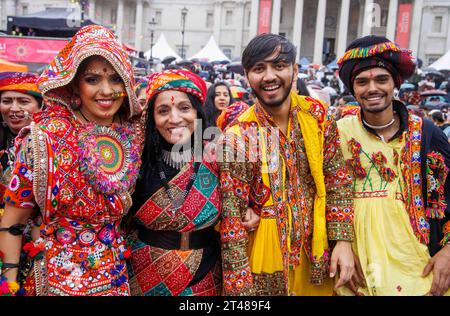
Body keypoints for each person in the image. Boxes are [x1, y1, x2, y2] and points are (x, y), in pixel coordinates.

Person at [0, 25, 143, 296]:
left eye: (115, 79)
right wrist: (8, 285)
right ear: (74, 83)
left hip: (114, 280)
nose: (107, 90)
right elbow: (12, 221)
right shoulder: (44, 140)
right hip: (54, 280)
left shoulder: (133, 135)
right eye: (92, 79)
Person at [218, 33, 355, 296]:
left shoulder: (317, 116)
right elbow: (232, 221)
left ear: (294, 69)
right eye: (259, 68)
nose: (269, 76)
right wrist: (238, 290)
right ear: (248, 76)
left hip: (316, 253)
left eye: (278, 66)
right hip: (262, 258)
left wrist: (344, 241)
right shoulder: (239, 134)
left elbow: (337, 180)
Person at [336, 35, 450, 296]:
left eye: (381, 79)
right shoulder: (337, 133)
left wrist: (448, 251)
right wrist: (337, 245)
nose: (372, 88)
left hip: (418, 266)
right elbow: (323, 198)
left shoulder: (427, 134)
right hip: (356, 267)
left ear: (394, 83)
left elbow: (446, 197)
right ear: (353, 89)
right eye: (362, 82)